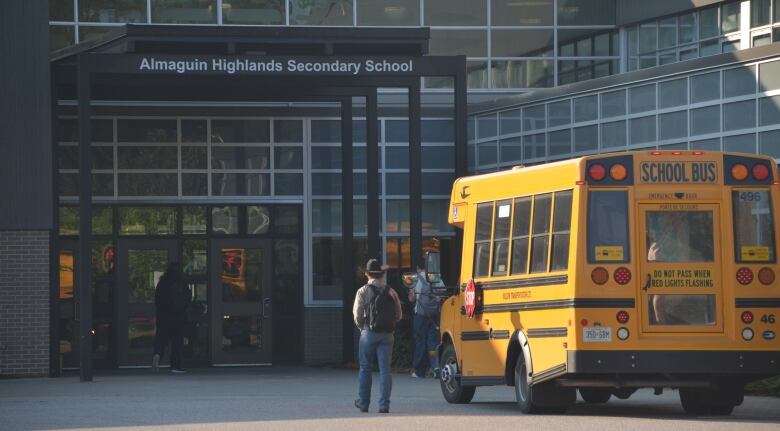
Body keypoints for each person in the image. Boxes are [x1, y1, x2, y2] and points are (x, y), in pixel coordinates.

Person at [353, 259, 402, 414]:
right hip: (387, 335)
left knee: (365, 368)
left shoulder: (362, 291)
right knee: (385, 370)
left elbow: (357, 315)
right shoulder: (391, 291)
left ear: (367, 274)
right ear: (381, 274)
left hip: (368, 333)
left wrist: (363, 327)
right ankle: (383, 405)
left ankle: (364, 404)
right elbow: (399, 314)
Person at [152, 262, 191, 374]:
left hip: (163, 317)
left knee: (161, 339)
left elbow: (157, 300)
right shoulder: (181, 282)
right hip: (178, 317)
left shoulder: (162, 283)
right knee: (176, 342)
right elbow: (187, 298)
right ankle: (175, 365)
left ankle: (157, 356)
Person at [408, 258, 441, 379]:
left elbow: (411, 299)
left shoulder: (416, 279)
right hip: (434, 315)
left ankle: (419, 371)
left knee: (420, 341)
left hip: (421, 315)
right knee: (433, 342)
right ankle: (436, 367)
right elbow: (441, 295)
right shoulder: (436, 277)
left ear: (418, 268)